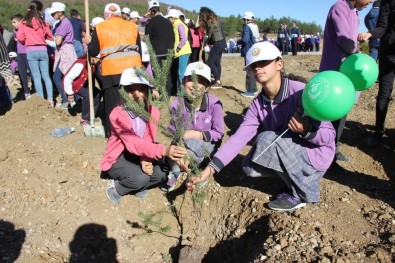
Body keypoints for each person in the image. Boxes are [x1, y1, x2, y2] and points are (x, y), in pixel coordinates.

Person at [186, 41, 336, 212]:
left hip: (316, 155)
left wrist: (306, 130)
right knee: (249, 167)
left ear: (279, 64)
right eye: (253, 65)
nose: (257, 68)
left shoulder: (302, 93)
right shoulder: (258, 104)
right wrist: (209, 170)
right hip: (289, 149)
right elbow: (238, 138)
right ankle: (294, 178)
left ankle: (301, 193)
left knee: (266, 140)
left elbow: (329, 136)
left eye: (263, 63)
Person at [101, 68, 187, 204]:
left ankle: (135, 185)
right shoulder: (117, 114)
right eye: (130, 90)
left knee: (161, 174)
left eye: (141, 89)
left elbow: (149, 138)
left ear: (147, 91)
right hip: (120, 156)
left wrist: (145, 159)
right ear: (122, 92)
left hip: (139, 153)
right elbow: (132, 142)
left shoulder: (153, 112)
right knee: (141, 178)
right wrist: (163, 150)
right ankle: (117, 187)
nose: (137, 95)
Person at [320, 0, 373, 164]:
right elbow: (345, 41)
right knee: (330, 113)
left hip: (347, 71)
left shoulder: (354, 12)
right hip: (336, 70)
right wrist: (358, 55)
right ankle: (326, 154)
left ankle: (332, 147)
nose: (371, 1)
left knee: (341, 111)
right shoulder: (340, 8)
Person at [165, 61, 224, 191]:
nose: (195, 85)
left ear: (207, 87)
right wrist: (178, 142)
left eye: (201, 81)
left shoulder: (215, 105)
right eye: (191, 79)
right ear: (183, 82)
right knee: (172, 154)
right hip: (183, 141)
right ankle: (175, 171)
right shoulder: (177, 104)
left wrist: (196, 134)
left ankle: (200, 171)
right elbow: (173, 128)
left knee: (191, 154)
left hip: (207, 142)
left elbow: (219, 133)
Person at [88, 3, 143, 138]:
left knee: (113, 105)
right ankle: (136, 132)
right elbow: (139, 50)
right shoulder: (132, 26)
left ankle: (114, 135)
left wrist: (89, 42)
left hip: (112, 71)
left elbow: (93, 51)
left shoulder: (100, 27)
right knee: (133, 101)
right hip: (133, 69)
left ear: (106, 14)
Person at [358, 0, 394, 146]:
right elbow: (382, 27)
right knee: (383, 95)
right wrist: (370, 34)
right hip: (388, 54)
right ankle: (378, 132)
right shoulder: (387, 1)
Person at [17, 0, 54, 106]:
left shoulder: (24, 23)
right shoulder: (43, 22)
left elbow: (20, 37)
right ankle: (51, 99)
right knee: (46, 76)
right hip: (43, 49)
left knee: (36, 77)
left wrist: (27, 41)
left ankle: (41, 100)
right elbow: (50, 36)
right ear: (39, 10)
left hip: (30, 50)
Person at [48, 2, 78, 109]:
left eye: (53, 13)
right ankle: (71, 99)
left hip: (66, 52)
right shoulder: (61, 23)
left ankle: (68, 100)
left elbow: (58, 41)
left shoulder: (64, 23)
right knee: (64, 77)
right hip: (63, 52)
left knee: (58, 77)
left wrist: (46, 41)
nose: (52, 16)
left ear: (60, 12)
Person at [144, 0, 176, 96]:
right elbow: (173, 37)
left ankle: (160, 95)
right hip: (169, 51)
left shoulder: (150, 23)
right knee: (168, 74)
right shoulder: (168, 22)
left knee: (158, 74)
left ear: (150, 11)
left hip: (157, 53)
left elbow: (147, 39)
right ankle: (167, 94)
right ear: (159, 9)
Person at [62, 56, 102, 126]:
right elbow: (67, 78)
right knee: (87, 95)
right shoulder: (80, 64)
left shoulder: (93, 65)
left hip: (82, 84)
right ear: (93, 58)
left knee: (97, 94)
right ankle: (84, 119)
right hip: (74, 85)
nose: (100, 61)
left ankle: (91, 116)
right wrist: (70, 94)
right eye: (99, 59)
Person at [199, 7, 227, 89]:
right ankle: (217, 80)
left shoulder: (211, 22)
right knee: (217, 62)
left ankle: (217, 81)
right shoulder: (217, 20)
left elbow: (210, 35)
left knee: (210, 62)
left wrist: (205, 41)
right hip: (223, 42)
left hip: (218, 43)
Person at [165, 9, 191, 91]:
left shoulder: (179, 25)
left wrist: (178, 48)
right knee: (180, 73)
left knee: (181, 74)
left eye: (169, 18)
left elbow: (183, 38)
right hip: (181, 52)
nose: (168, 20)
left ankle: (182, 94)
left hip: (183, 52)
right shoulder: (177, 24)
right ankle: (180, 91)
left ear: (173, 18)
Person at [11, 14, 32, 100]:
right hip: (19, 53)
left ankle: (35, 87)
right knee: (22, 72)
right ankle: (26, 91)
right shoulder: (15, 30)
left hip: (27, 52)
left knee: (31, 71)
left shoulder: (26, 28)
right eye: (12, 22)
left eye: (14, 22)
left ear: (20, 21)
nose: (13, 24)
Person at [240, 11, 258, 98]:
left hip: (248, 50)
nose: (244, 21)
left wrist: (238, 41)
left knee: (249, 70)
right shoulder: (255, 26)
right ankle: (254, 89)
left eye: (244, 19)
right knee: (253, 69)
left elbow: (245, 40)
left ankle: (250, 91)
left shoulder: (247, 27)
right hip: (255, 50)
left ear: (247, 19)